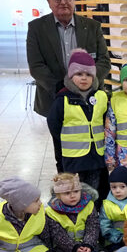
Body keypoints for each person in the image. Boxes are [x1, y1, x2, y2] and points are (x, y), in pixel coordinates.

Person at [27, 0, 110, 118]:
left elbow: (104, 61)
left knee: (92, 138)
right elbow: (36, 66)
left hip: (90, 98)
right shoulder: (36, 28)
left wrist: (87, 84)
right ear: (49, 1)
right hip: (53, 99)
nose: (63, 2)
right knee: (61, 139)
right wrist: (61, 88)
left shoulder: (92, 27)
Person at [46, 48, 108, 203]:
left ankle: (92, 217)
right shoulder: (63, 99)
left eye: (88, 75)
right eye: (79, 74)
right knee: (75, 191)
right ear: (71, 75)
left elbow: (106, 120)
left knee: (94, 191)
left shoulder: (101, 96)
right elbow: (54, 124)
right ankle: (77, 219)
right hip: (74, 158)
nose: (84, 78)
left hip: (96, 156)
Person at [45, 173, 108, 252]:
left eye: (76, 191)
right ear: (58, 195)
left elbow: (93, 226)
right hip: (65, 249)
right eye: (67, 193)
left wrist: (88, 244)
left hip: (86, 244)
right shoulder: (51, 212)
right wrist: (74, 248)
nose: (72, 196)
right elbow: (58, 235)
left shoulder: (88, 205)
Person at [99, 165, 127, 252]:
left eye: (122, 187)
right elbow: (104, 227)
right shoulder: (107, 205)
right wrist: (119, 238)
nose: (117, 191)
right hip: (114, 240)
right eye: (114, 187)